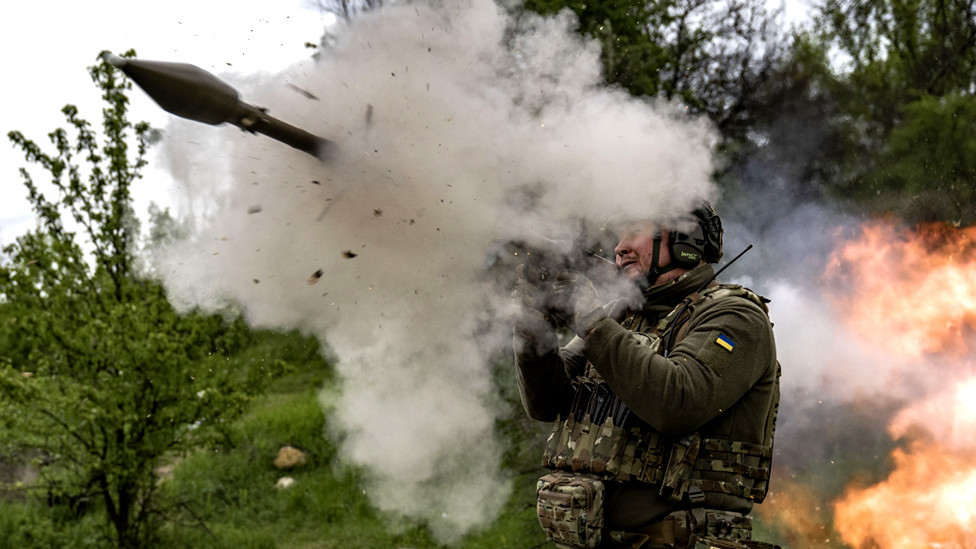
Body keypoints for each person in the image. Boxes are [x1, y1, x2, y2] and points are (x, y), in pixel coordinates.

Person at [513, 203, 780, 549]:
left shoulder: (737, 316)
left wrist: (590, 320)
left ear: (686, 238)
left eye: (633, 232)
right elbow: (546, 402)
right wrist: (532, 325)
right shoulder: (622, 315)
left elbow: (678, 403)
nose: (619, 248)